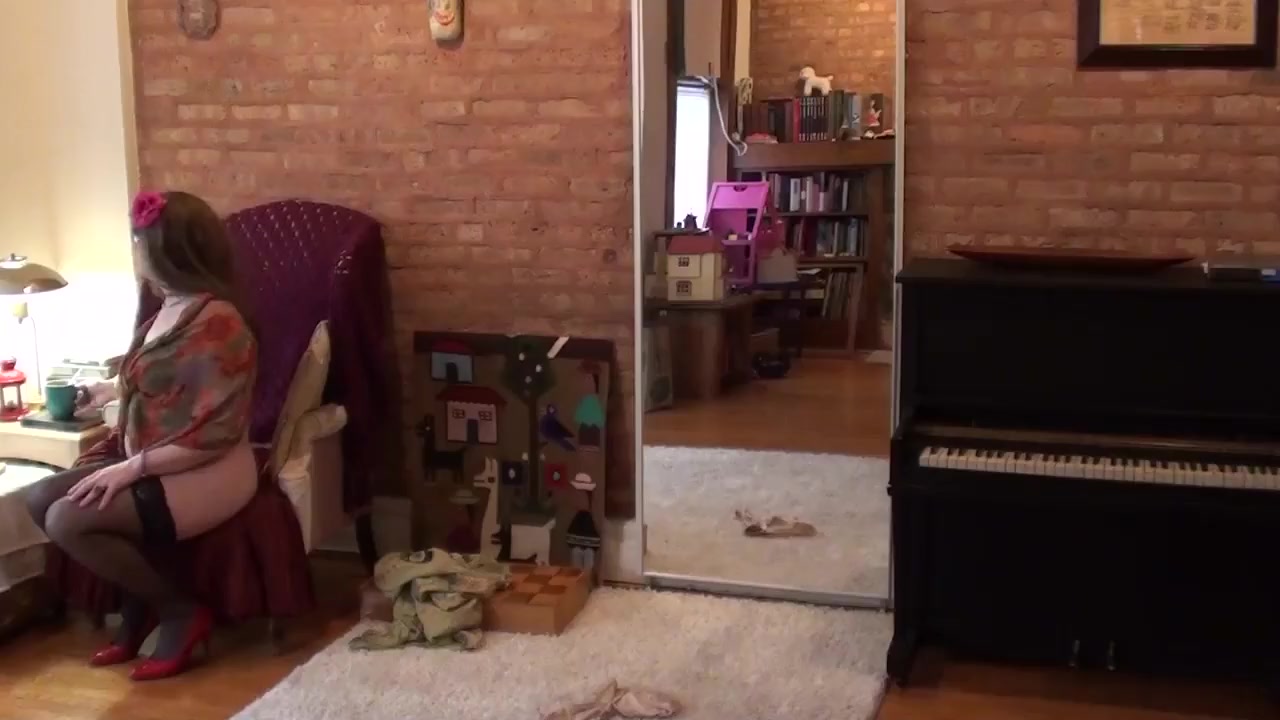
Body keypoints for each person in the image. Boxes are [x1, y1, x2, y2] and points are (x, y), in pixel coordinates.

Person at [23, 190, 259, 681]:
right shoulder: (169, 306)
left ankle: (179, 611)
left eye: (139, 242)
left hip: (206, 468)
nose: (135, 251)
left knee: (68, 520)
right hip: (156, 457)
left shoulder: (221, 324)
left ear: (170, 252)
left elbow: (214, 432)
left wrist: (132, 467)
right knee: (39, 499)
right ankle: (141, 604)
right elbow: (166, 379)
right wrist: (109, 389)